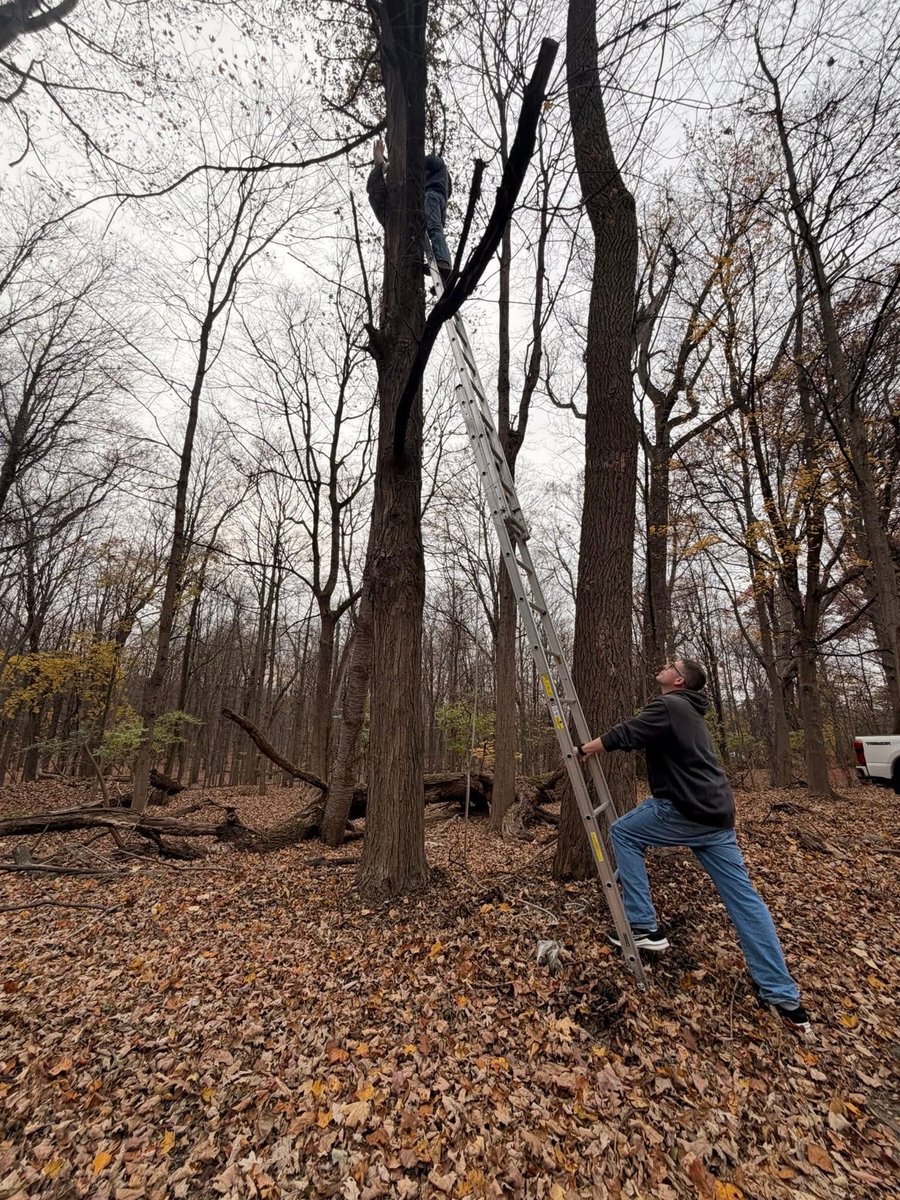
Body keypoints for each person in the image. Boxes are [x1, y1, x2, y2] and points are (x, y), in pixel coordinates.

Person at [576, 658, 810, 1036]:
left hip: (686, 808)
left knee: (624, 833)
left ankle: (642, 927)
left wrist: (586, 748)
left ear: (679, 681)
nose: (664, 665)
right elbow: (646, 736)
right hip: (717, 815)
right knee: (745, 900)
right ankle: (784, 998)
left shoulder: (669, 704)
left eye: (671, 665)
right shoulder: (689, 711)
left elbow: (628, 732)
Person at [366, 138, 453, 278]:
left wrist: (398, 165)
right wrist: (379, 166)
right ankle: (443, 275)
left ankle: (443, 262)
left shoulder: (433, 175)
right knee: (435, 229)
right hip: (417, 212)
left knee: (434, 227)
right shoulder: (393, 204)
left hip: (431, 197)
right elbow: (374, 193)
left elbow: (427, 162)